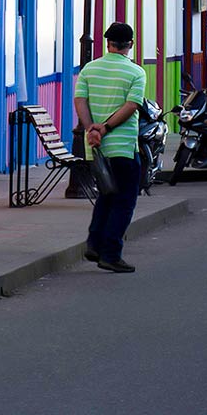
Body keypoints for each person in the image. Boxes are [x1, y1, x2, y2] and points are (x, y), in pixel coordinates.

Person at [74, 22, 147, 274]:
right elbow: (131, 106)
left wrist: (90, 129)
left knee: (106, 195)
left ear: (107, 44)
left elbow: (80, 100)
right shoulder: (136, 72)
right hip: (123, 147)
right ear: (131, 45)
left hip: (96, 148)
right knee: (124, 201)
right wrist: (104, 127)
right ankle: (111, 253)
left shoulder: (89, 70)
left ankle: (94, 243)